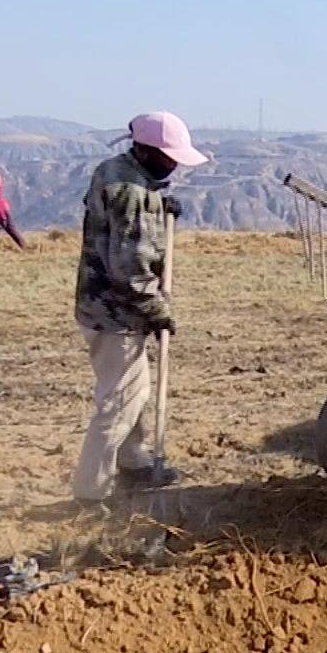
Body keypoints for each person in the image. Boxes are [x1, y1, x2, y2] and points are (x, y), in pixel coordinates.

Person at [71, 111, 208, 503]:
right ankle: (90, 492)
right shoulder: (133, 193)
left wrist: (159, 204)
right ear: (146, 151)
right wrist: (157, 310)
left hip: (98, 305)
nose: (175, 164)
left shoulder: (112, 170)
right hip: (117, 313)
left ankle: (132, 463)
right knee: (119, 401)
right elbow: (130, 270)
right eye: (169, 157)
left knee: (135, 390)